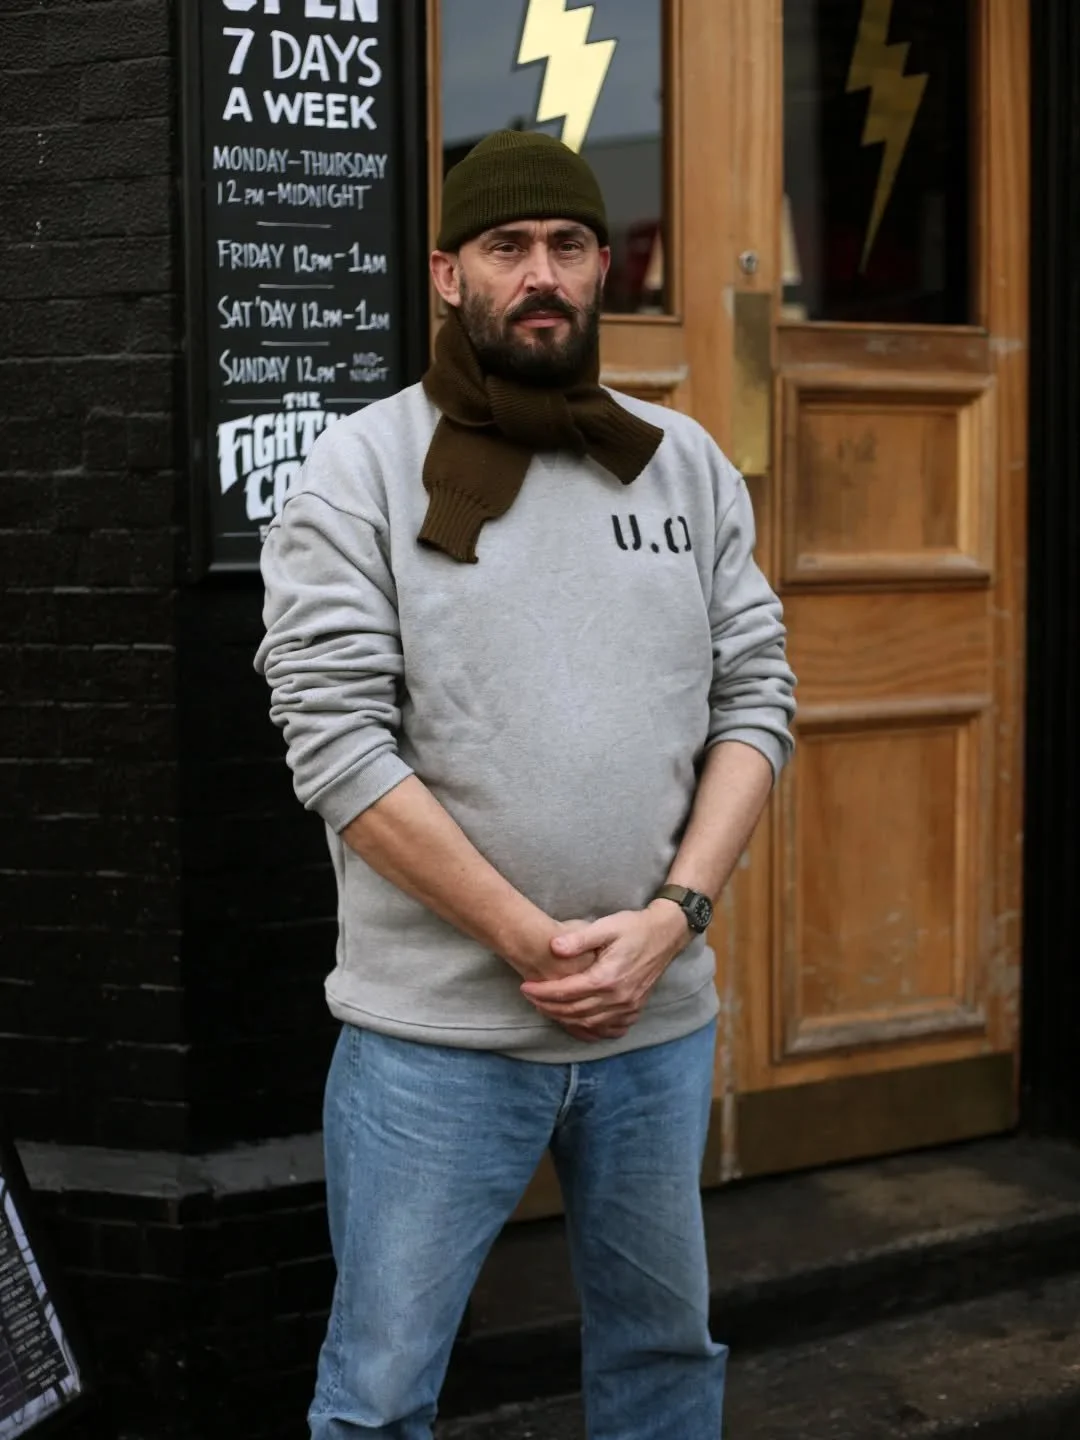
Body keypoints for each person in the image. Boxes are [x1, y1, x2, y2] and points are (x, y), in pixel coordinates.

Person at [255, 128, 796, 1440]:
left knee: (666, 1360)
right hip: (434, 1040)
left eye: (566, 246)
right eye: (507, 249)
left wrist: (672, 921)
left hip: (656, 1026)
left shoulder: (684, 466)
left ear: (605, 268)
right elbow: (334, 744)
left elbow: (757, 701)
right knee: (382, 1394)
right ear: (449, 276)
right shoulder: (359, 471)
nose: (539, 274)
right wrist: (535, 946)